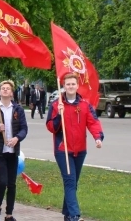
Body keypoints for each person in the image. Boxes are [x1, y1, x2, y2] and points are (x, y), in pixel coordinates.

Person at [46, 73, 104, 221]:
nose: (70, 86)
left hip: (80, 150)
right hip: (63, 150)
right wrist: (59, 115)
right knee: (70, 181)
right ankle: (74, 215)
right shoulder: (56, 105)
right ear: (63, 86)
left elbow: (93, 122)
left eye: (73, 84)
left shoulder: (84, 105)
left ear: (77, 86)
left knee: (73, 183)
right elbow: (51, 127)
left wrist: (97, 137)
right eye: (68, 84)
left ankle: (67, 214)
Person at [0, 80, 28, 221]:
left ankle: (9, 214)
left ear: (12, 92)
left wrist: (17, 138)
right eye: (2, 88)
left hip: (12, 151)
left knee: (12, 184)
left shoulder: (18, 109)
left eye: (7, 88)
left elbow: (23, 129)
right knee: (2, 182)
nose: (5, 90)